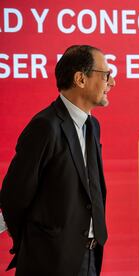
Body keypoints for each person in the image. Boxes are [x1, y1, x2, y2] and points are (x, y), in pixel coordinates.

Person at [0, 45, 115, 276]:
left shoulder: (93, 125)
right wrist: (39, 243)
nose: (111, 83)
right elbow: (14, 196)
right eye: (106, 75)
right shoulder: (45, 126)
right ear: (80, 79)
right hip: (50, 261)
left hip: (90, 256)